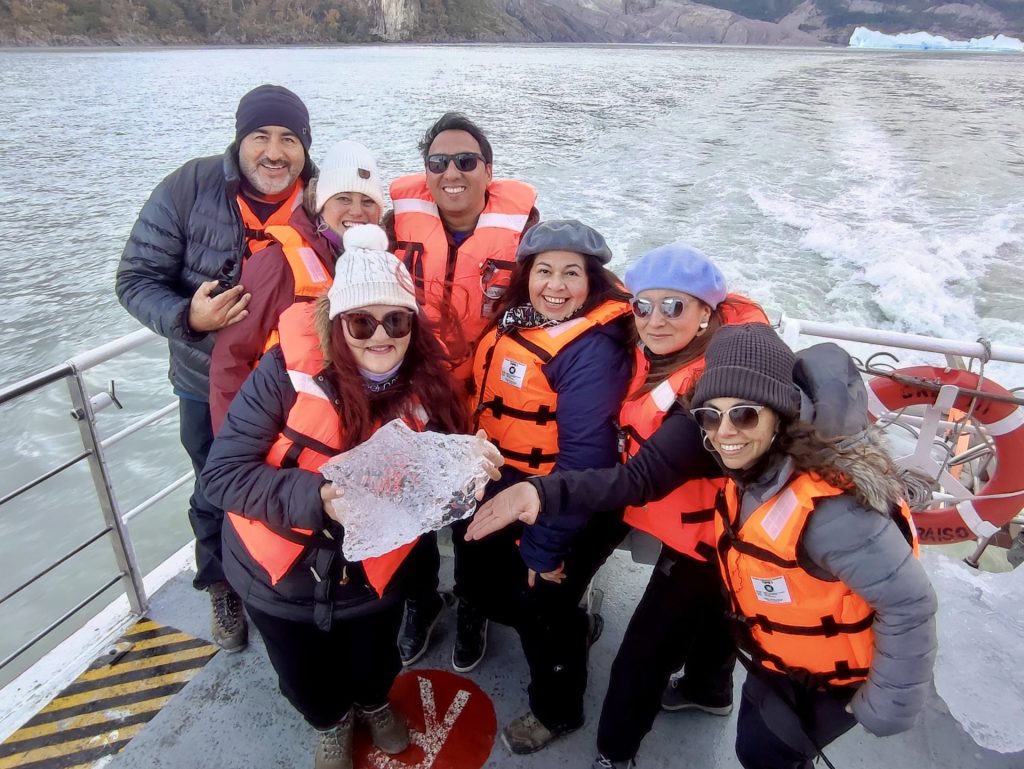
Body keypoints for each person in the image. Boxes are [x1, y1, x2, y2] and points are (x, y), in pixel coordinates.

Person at [468, 324, 938, 769]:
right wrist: (540, 491)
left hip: (824, 680)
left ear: (781, 415)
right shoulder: (759, 468)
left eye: (745, 414)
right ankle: (709, 690)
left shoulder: (833, 513)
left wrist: (887, 707)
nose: (725, 431)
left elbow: (910, 603)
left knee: (763, 752)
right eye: (710, 416)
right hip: (772, 654)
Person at [200, 225, 478, 769]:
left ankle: (374, 703)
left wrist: (470, 468)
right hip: (275, 576)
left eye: (396, 320)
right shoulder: (282, 376)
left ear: (413, 326)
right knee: (303, 676)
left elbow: (435, 485)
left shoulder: (433, 387)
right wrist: (319, 497)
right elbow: (223, 475)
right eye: (360, 321)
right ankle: (330, 723)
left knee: (376, 660)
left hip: (374, 578)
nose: (380, 335)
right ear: (335, 322)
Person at [116, 84, 315, 652]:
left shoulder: (324, 198)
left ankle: (288, 577)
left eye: (289, 139)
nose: (274, 152)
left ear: (305, 147)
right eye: (261, 136)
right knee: (213, 483)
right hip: (204, 381)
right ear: (240, 139)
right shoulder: (189, 187)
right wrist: (188, 316)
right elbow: (133, 280)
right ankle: (222, 584)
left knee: (292, 477)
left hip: (297, 383)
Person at [590, 243, 768, 768]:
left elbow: (651, 473)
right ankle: (710, 689)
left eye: (674, 307)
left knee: (642, 654)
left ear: (707, 313)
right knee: (715, 613)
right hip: (712, 527)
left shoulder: (713, 388)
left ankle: (612, 755)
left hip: (712, 535)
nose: (655, 321)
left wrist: (538, 495)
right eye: (644, 307)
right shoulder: (666, 348)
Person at [462, 219, 633, 754]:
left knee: (542, 606)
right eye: (544, 271)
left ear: (593, 283)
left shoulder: (594, 350)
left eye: (571, 274)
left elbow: (586, 459)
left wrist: (544, 548)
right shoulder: (518, 322)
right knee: (488, 584)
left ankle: (558, 710)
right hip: (507, 483)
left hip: (570, 501)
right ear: (526, 277)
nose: (555, 286)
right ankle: (575, 624)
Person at [385, 112, 539, 669]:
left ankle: (472, 605)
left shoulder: (526, 229)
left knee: (471, 507)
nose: (452, 172)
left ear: (488, 171)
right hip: (413, 393)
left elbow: (573, 286)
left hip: (486, 397)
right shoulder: (391, 224)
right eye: (438, 162)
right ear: (424, 173)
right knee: (410, 504)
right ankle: (420, 602)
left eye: (466, 161)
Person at [209, 140, 386, 432]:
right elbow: (230, 361)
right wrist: (232, 453)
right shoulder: (276, 263)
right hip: (280, 433)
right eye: (343, 198)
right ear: (320, 202)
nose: (357, 211)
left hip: (345, 436)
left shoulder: (380, 265)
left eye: (368, 201)